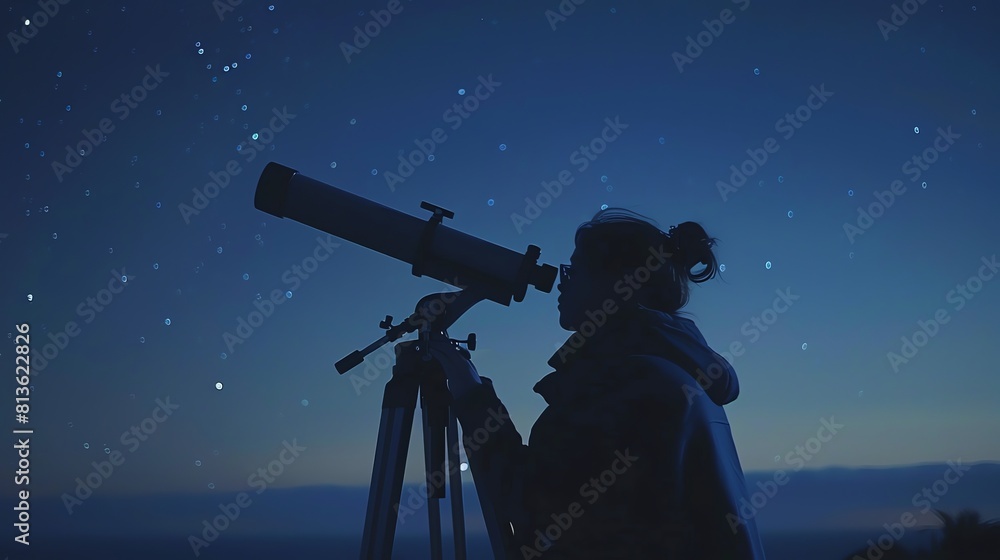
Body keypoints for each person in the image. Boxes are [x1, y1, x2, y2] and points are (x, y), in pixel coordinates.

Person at [426, 207, 767, 559]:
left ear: (620, 285)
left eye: (575, 271)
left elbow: (536, 503)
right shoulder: (675, 370)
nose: (562, 282)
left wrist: (470, 393)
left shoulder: (624, 380)